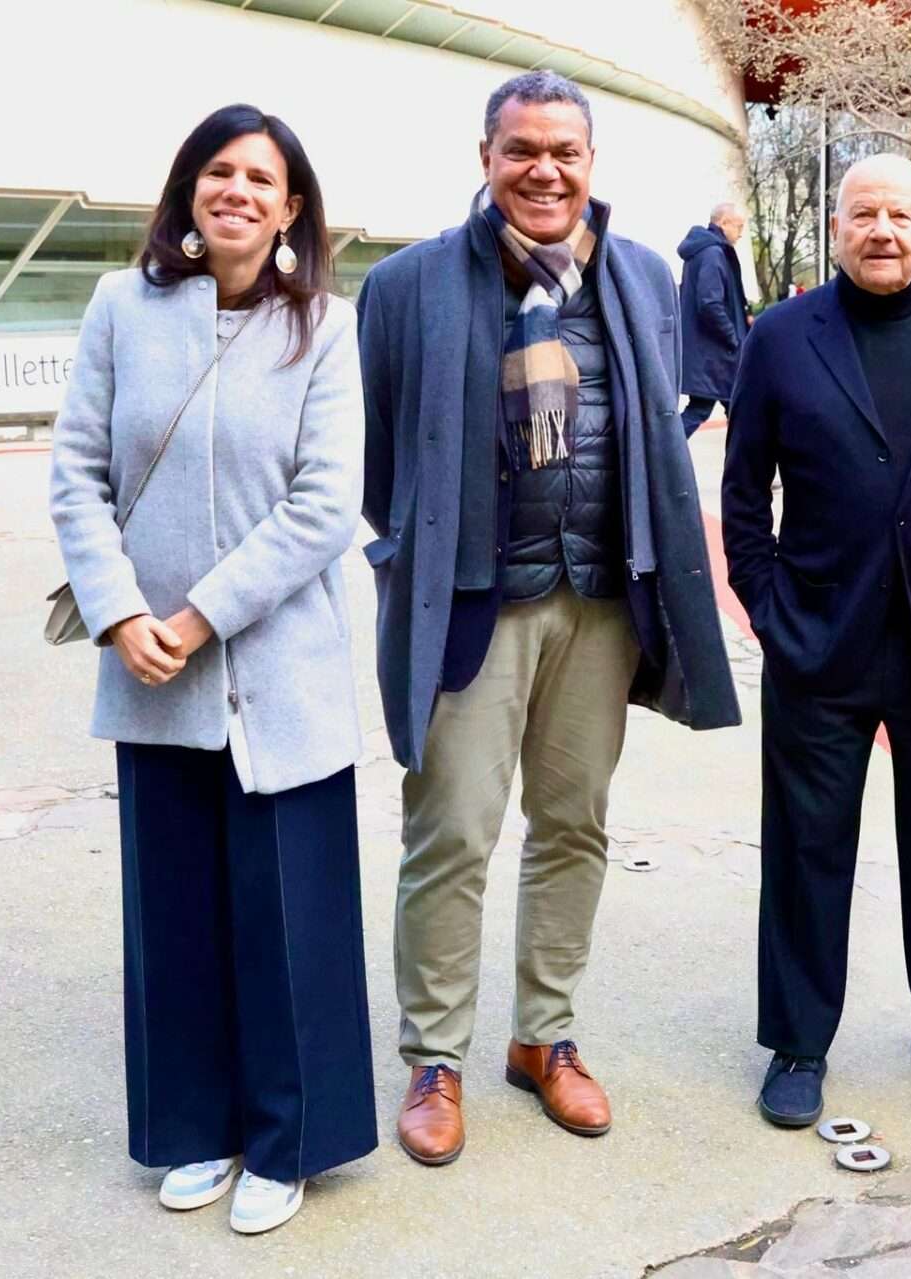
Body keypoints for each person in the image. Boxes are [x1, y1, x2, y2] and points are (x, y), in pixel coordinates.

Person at [357, 71, 740, 1168]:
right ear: (486, 157)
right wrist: (418, 557)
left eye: (564, 151)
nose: (545, 171)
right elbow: (385, 465)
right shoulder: (411, 285)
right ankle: (434, 1055)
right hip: (478, 604)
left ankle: (544, 1036)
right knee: (455, 832)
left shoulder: (638, 274)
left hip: (600, 598)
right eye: (522, 149)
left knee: (573, 825)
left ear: (590, 162)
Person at [48, 104, 374, 1235]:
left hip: (279, 672)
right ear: (191, 191)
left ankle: (288, 1142)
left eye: (261, 179)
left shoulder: (323, 328)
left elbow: (327, 504)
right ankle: (197, 1128)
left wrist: (202, 614)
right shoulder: (119, 312)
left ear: (291, 211)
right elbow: (77, 476)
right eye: (218, 172)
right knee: (176, 914)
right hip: (149, 669)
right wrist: (121, 611)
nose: (236, 191)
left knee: (288, 917)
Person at [722, 154, 911, 1128]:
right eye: (864, 214)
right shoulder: (779, 337)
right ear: (837, 226)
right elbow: (741, 496)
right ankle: (798, 1043)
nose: (883, 230)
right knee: (807, 850)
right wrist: (772, 612)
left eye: (902, 214)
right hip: (822, 641)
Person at [677, 202, 750, 435]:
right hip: (717, 356)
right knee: (739, 411)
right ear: (724, 222)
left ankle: (658, 455)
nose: (741, 233)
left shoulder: (702, 251)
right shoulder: (713, 253)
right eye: (739, 226)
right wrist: (734, 338)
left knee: (722, 410)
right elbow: (710, 304)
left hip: (708, 356)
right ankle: (659, 454)